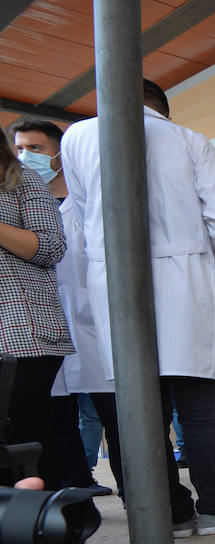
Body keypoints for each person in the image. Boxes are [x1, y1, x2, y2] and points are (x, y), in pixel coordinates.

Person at [62, 79, 215, 537]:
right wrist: (198, 256)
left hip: (114, 285)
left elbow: (83, 221)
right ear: (161, 109)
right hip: (183, 284)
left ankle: (171, 511)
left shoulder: (76, 138)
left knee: (141, 409)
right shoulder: (188, 140)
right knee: (197, 407)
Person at [11, 119, 115, 496]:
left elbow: (55, 250)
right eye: (21, 147)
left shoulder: (65, 196)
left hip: (66, 327)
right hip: (36, 328)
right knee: (52, 423)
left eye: (35, 148)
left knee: (110, 419)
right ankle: (75, 488)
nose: (26, 155)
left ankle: (142, 504)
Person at [0, 129, 70, 491]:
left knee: (29, 429)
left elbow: (51, 247)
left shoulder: (20, 178)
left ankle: (55, 528)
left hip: (23, 327)